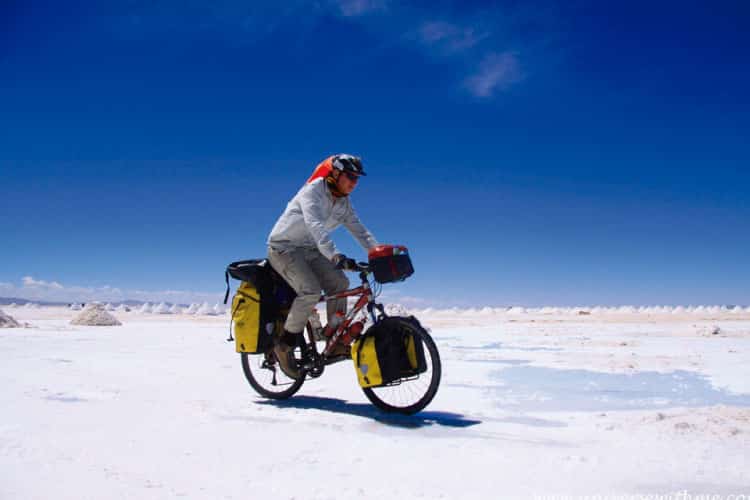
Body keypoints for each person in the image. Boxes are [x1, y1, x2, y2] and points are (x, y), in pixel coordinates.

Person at [267, 154, 379, 379]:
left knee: (340, 283)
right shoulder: (313, 191)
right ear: (336, 173)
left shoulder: (343, 203)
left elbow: (360, 230)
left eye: (357, 179)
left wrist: (378, 252)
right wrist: (335, 256)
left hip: (309, 250)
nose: (354, 183)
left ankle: (334, 339)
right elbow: (315, 225)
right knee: (310, 290)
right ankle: (284, 345)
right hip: (284, 247)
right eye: (350, 177)